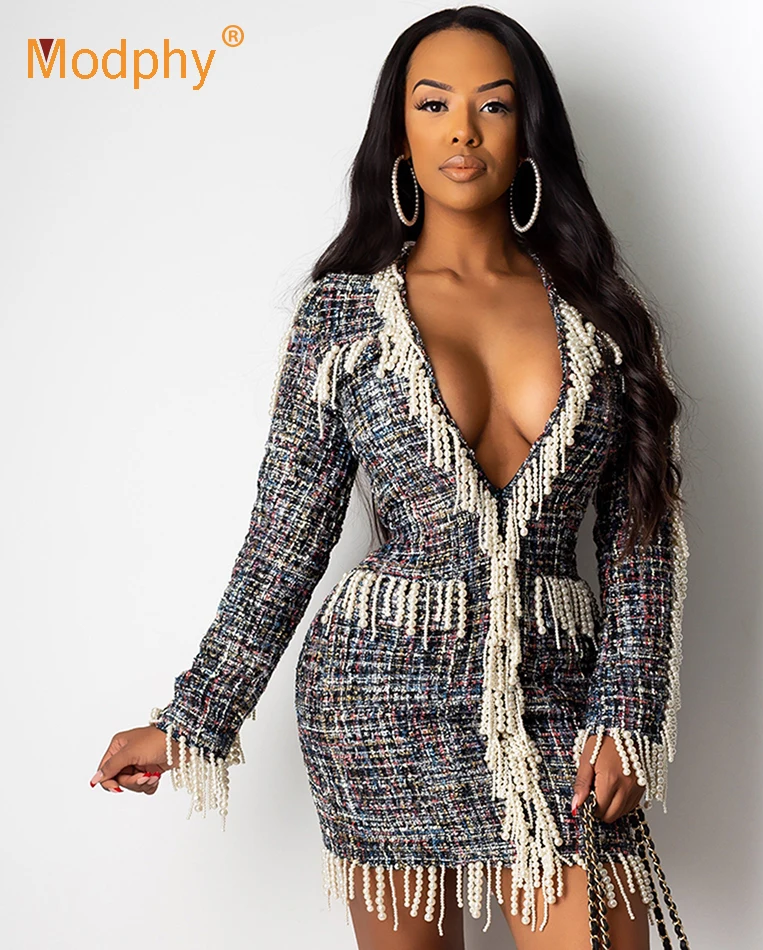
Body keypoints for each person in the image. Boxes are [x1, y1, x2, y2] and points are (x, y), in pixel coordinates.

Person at [89, 7, 690, 949]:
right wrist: (192, 718)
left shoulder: (603, 316)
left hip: (557, 696)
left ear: (528, 130)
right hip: (377, 697)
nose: (463, 131)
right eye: (434, 104)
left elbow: (641, 539)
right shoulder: (342, 318)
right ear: (399, 132)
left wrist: (626, 714)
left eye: (494, 105)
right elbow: (286, 537)